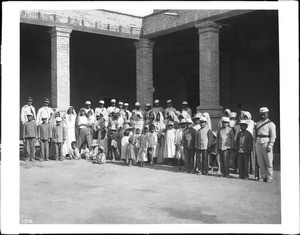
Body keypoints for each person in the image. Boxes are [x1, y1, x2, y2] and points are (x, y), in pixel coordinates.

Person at [254, 107, 276, 183]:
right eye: (261, 114)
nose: (263, 116)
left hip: (266, 143)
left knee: (269, 161)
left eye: (264, 114)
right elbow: (255, 134)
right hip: (258, 142)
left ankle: (270, 177)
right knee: (260, 161)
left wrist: (270, 145)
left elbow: (273, 135)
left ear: (267, 114)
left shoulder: (271, 124)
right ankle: (263, 176)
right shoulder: (258, 123)